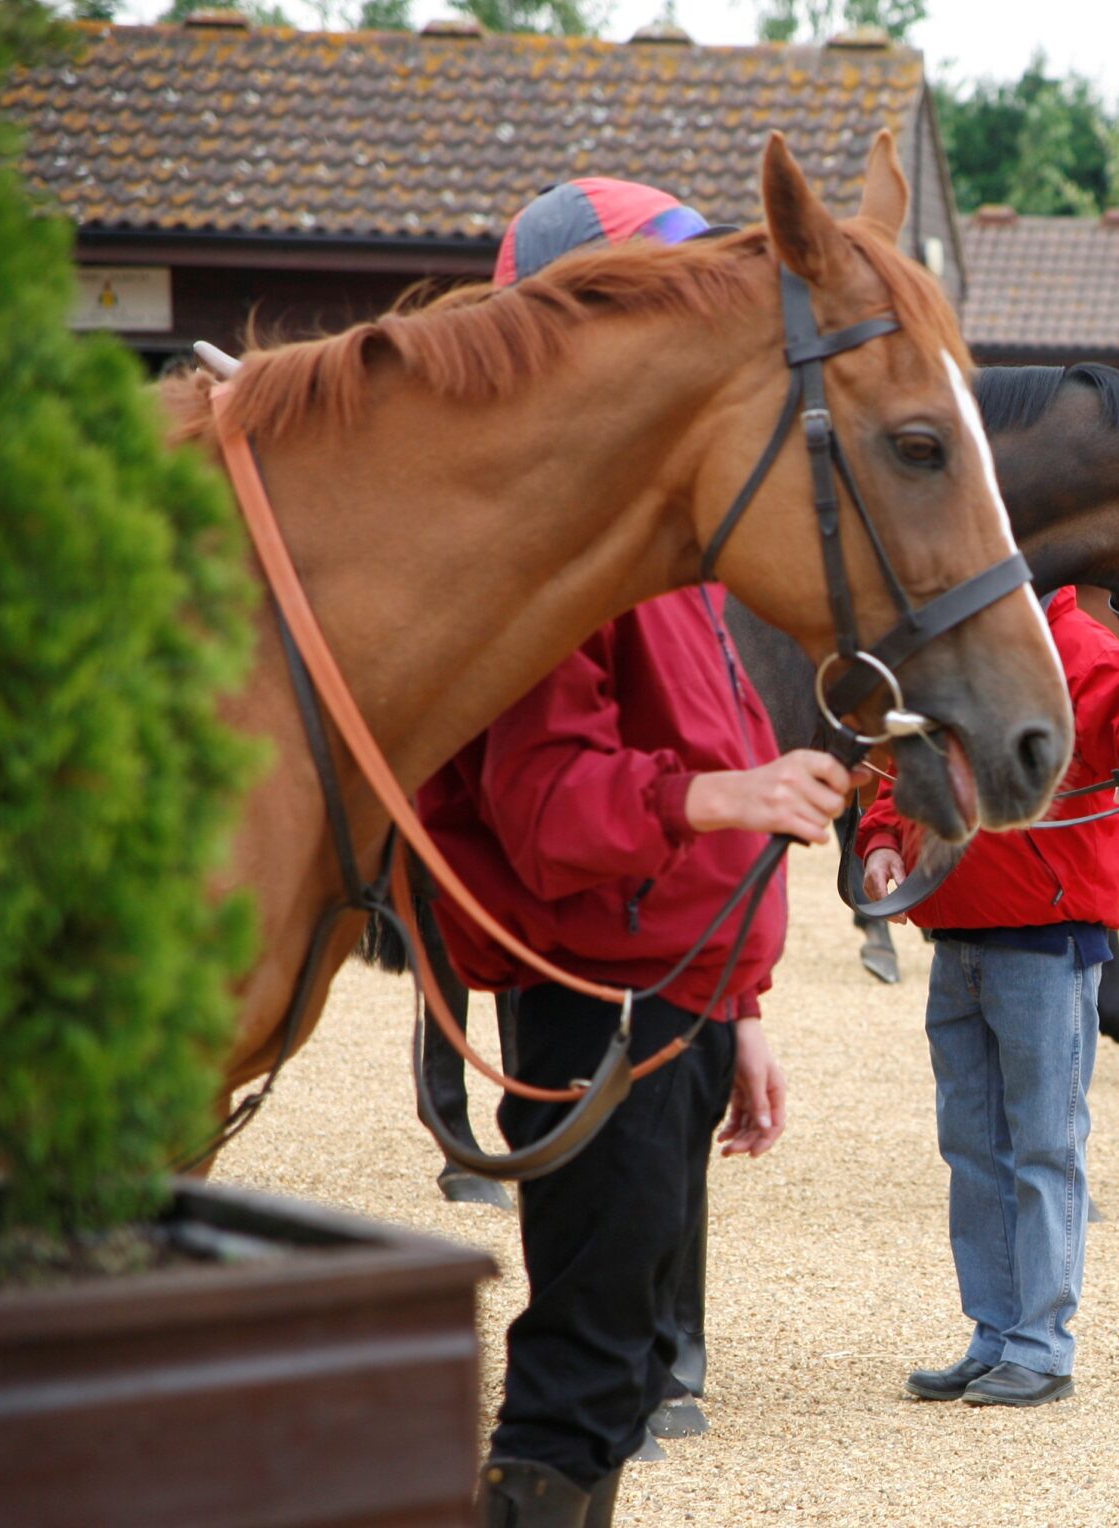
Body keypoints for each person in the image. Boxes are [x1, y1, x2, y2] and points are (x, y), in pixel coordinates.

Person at [424, 178, 862, 1528]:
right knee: (586, 1368)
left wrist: (741, 1012)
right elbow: (549, 812)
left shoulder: (664, 553)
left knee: (617, 1375)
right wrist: (726, 798)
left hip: (670, 998)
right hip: (596, 1007)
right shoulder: (548, 554)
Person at [859, 588, 1119, 1407]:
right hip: (958, 935)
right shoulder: (943, 640)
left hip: (1044, 940)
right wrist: (877, 843)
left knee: (1043, 1144)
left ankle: (1040, 1345)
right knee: (974, 1147)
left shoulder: (1068, 638)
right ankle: (995, 1333)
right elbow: (901, 768)